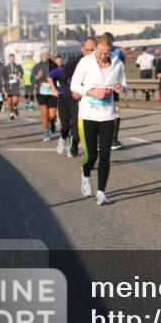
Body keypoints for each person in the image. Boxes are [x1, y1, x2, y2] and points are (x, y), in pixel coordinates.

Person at [70, 35, 128, 206]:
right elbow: (74, 85)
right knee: (92, 155)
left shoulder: (117, 63)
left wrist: (121, 88)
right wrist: (91, 92)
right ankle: (85, 174)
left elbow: (124, 83)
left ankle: (101, 192)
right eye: (101, 53)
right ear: (95, 49)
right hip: (88, 114)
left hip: (108, 114)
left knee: (105, 155)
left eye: (106, 53)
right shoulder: (86, 62)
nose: (104, 56)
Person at [51, 37, 94, 157]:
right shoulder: (74, 62)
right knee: (65, 126)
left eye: (93, 50)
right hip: (67, 97)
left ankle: (73, 144)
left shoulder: (97, 63)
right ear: (82, 49)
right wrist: (71, 93)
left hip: (83, 100)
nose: (90, 53)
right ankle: (62, 139)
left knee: (77, 126)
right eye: (88, 50)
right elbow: (62, 79)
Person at [31, 49, 58, 141]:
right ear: (41, 55)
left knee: (52, 115)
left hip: (52, 93)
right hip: (41, 93)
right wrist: (37, 77)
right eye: (44, 54)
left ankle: (52, 121)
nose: (46, 55)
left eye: (47, 53)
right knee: (44, 113)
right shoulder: (37, 66)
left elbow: (59, 78)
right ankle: (46, 132)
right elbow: (32, 81)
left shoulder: (54, 65)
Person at [104, 33, 125, 150]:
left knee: (115, 111)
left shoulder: (117, 52)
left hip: (113, 85)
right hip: (101, 85)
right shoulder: (117, 51)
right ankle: (109, 138)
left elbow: (120, 66)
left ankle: (113, 139)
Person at [2, 53, 23, 120]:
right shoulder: (5, 67)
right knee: (9, 101)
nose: (12, 60)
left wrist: (19, 77)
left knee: (15, 100)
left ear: (14, 59)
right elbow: (2, 77)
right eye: (10, 59)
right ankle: (11, 113)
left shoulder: (18, 66)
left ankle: (15, 108)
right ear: (9, 59)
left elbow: (22, 73)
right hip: (8, 86)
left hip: (15, 85)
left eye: (13, 59)